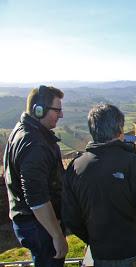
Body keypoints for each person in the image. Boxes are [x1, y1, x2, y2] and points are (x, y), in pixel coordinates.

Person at [62, 104, 136, 267]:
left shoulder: (75, 167)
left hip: (100, 255)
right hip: (135, 254)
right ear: (120, 130)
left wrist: (95, 240)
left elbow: (71, 217)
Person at [3, 85, 67, 266]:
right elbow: (37, 198)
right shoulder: (35, 144)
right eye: (57, 110)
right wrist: (57, 235)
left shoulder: (22, 130)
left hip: (32, 223)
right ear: (39, 110)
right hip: (39, 226)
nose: (61, 115)